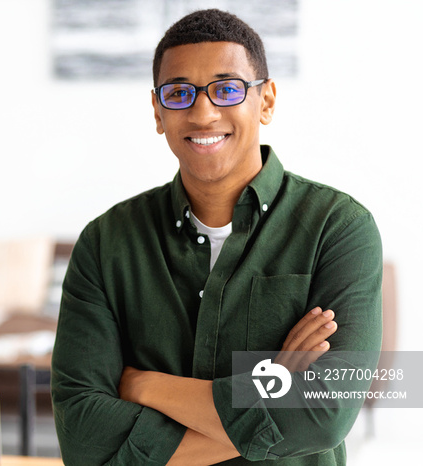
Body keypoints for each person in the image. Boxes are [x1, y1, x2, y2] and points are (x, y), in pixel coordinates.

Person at [50, 8, 382, 466]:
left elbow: (322, 415)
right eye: (180, 93)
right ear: (158, 111)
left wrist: (145, 386)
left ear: (265, 101)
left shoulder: (338, 228)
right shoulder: (106, 243)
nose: (203, 113)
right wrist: (272, 387)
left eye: (227, 89)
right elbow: (84, 439)